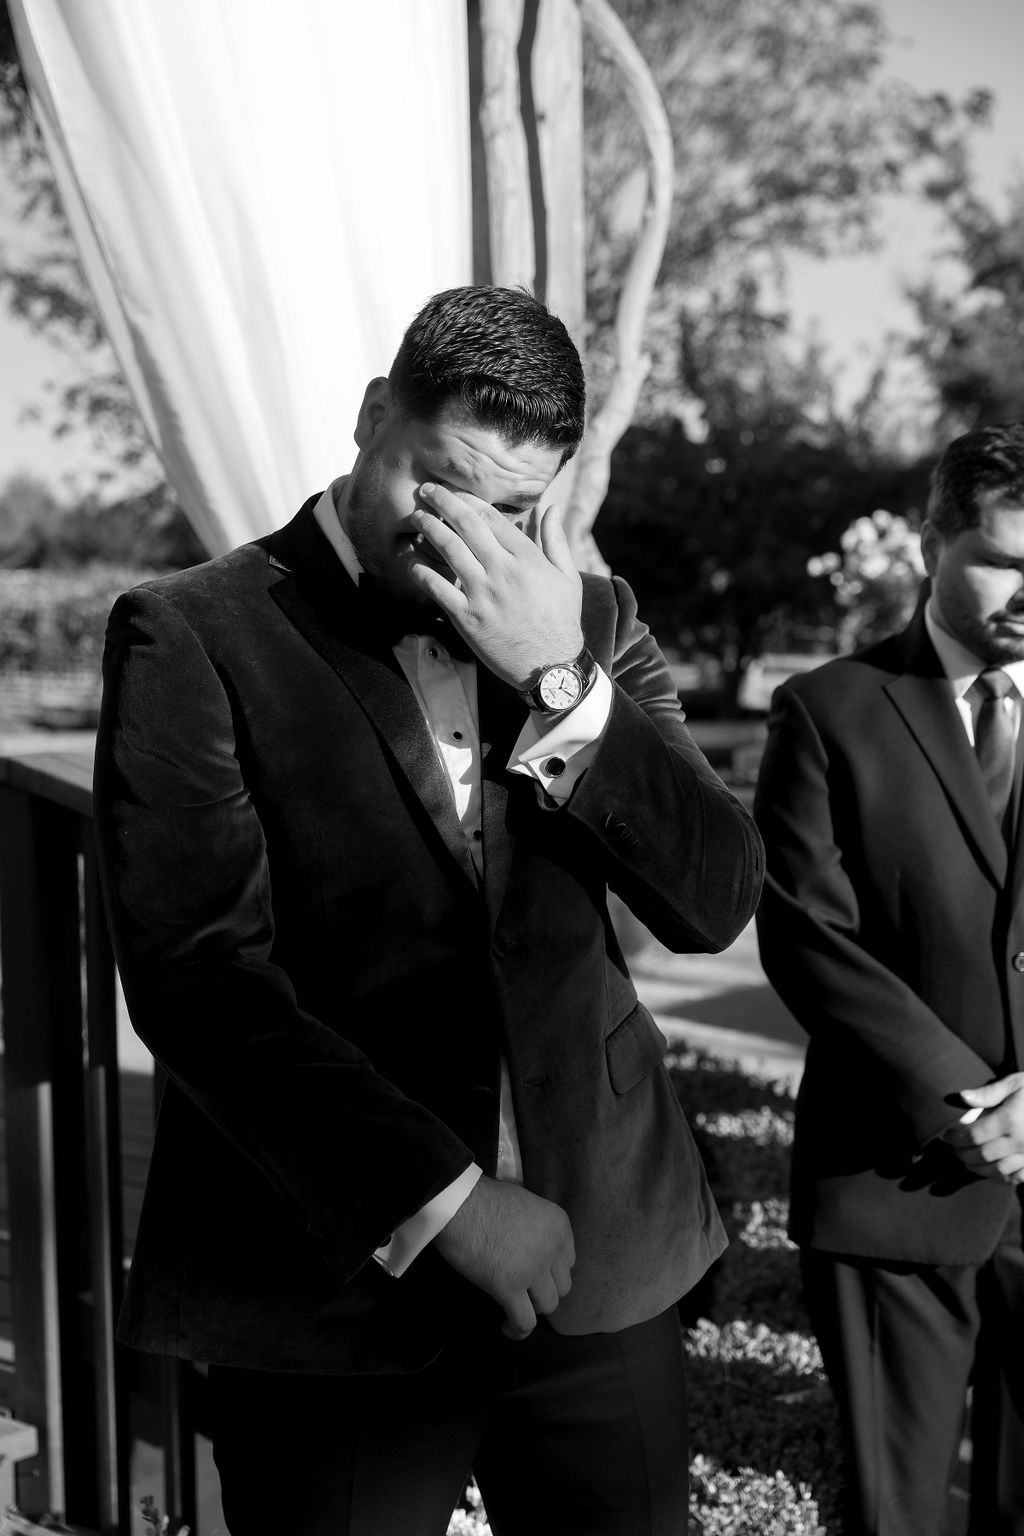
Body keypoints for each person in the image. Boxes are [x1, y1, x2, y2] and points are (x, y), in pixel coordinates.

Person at [94, 284, 763, 1536]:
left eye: (512, 508)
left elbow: (714, 900)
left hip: (603, 1267)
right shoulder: (189, 634)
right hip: (329, 1286)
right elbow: (198, 978)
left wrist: (559, 682)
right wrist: (448, 1202)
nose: (463, 534)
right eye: (435, 482)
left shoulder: (593, 625)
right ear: (369, 415)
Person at [754, 420, 1024, 1536]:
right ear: (931, 544)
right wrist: (973, 1105)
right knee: (894, 1520)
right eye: (1007, 559)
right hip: (892, 1187)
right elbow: (807, 938)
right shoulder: (827, 710)